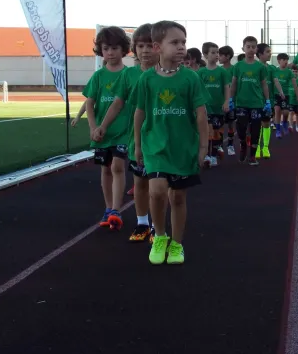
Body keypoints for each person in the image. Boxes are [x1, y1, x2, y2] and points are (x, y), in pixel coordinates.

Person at [134, 21, 209, 265]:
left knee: (177, 198)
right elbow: (140, 113)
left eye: (183, 43)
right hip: (155, 146)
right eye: (175, 42)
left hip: (183, 147)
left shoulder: (191, 78)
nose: (181, 48)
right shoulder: (147, 80)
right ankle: (160, 237)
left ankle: (176, 244)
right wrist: (137, 145)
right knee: (156, 191)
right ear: (158, 47)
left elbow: (200, 114)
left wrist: (202, 147)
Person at [93, 24, 157, 243]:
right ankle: (142, 223)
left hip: (163, 138)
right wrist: (102, 126)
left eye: (150, 46)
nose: (146, 50)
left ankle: (158, 226)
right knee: (140, 182)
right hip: (136, 137)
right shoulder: (129, 75)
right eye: (141, 46)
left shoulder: (169, 73)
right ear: (135, 48)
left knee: (160, 185)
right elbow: (118, 103)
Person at [82, 26, 130, 230]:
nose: (110, 52)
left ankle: (116, 210)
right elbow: (90, 104)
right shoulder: (98, 76)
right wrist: (94, 128)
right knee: (105, 169)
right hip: (102, 133)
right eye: (106, 48)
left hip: (123, 131)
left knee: (118, 166)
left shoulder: (129, 75)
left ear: (124, 49)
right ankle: (108, 207)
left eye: (114, 48)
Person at [231, 36, 271, 165]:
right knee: (241, 128)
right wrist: (231, 100)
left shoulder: (260, 67)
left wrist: (268, 101)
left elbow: (264, 84)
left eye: (253, 47)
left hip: (256, 103)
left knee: (255, 129)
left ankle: (252, 156)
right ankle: (243, 145)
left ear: (256, 49)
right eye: (248, 47)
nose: (250, 49)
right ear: (243, 48)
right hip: (241, 102)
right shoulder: (238, 66)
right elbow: (234, 83)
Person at [198, 42, 231, 166]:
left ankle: (216, 149)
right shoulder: (200, 73)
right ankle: (208, 156)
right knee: (208, 131)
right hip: (206, 108)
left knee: (217, 132)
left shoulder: (222, 72)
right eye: (213, 52)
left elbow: (226, 87)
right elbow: (198, 91)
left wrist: (227, 101)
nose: (216, 55)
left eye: (217, 52)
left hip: (219, 107)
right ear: (205, 54)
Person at [218, 45, 237, 156]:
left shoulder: (234, 69)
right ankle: (219, 145)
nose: (218, 57)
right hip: (220, 102)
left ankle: (230, 145)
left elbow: (234, 85)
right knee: (220, 125)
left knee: (230, 124)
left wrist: (231, 99)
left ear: (228, 56)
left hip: (231, 102)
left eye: (221, 55)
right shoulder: (218, 70)